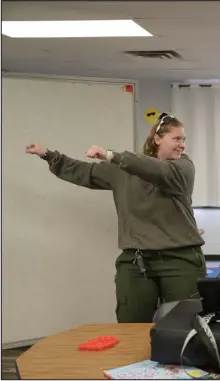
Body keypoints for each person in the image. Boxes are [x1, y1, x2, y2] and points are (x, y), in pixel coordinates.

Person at [25, 113, 206, 323]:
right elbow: (84, 171)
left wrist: (113, 156)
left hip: (180, 258)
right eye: (177, 139)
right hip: (137, 260)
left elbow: (155, 170)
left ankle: (181, 357)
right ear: (158, 139)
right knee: (131, 324)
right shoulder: (123, 171)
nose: (182, 145)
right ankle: (137, 358)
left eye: (184, 139)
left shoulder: (183, 168)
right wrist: (48, 155)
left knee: (185, 323)